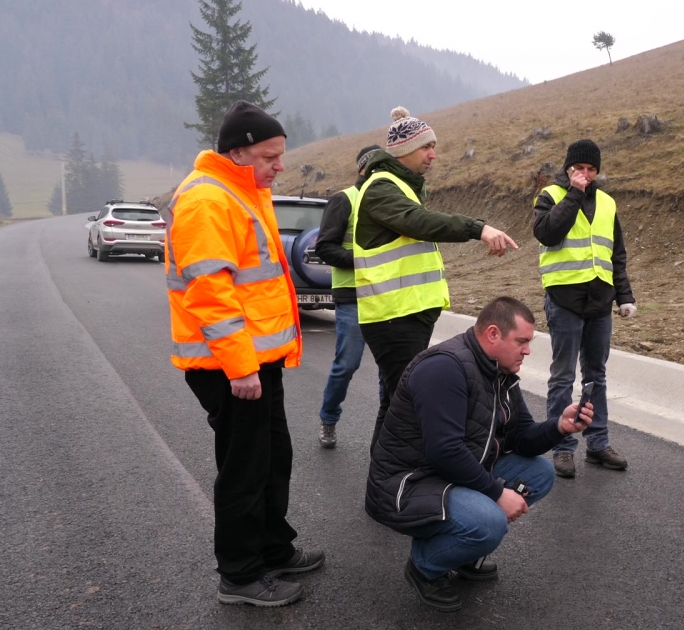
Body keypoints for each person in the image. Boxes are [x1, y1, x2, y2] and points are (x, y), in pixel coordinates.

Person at [165, 101, 325, 606]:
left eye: (281, 156)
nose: (279, 166)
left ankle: (274, 547)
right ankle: (239, 575)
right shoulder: (208, 201)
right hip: (230, 366)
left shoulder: (244, 190)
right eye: (270, 156)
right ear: (238, 153)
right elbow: (210, 292)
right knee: (245, 469)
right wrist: (240, 367)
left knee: (275, 456)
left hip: (258, 361)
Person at [365, 296, 593, 612]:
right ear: (493, 334)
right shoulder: (444, 367)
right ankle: (425, 567)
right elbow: (445, 451)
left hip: (451, 472)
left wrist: (560, 427)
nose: (527, 350)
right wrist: (497, 493)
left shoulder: (498, 371)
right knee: (488, 522)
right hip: (407, 484)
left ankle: (461, 552)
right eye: (522, 341)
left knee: (539, 473)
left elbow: (522, 438)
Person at [353, 107, 518, 450]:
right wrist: (479, 229)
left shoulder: (401, 186)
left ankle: (386, 478)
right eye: (426, 146)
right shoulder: (381, 188)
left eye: (433, 146)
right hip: (393, 315)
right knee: (406, 402)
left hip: (407, 311)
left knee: (398, 400)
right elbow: (420, 223)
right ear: (403, 151)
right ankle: (392, 480)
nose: (433, 154)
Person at [532, 139, 636, 478]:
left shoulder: (607, 202)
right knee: (563, 376)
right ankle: (562, 447)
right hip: (564, 299)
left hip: (600, 300)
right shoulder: (550, 196)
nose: (586, 175)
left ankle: (598, 443)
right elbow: (547, 233)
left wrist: (625, 296)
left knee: (597, 376)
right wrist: (574, 195)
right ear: (568, 168)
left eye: (592, 170)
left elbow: (615, 253)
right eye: (580, 169)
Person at [312, 144, 382, 449]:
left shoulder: (390, 201)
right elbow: (324, 247)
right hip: (352, 297)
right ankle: (329, 419)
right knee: (347, 364)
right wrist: (364, 260)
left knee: (392, 371)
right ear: (363, 168)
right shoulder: (344, 199)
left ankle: (390, 432)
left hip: (388, 297)